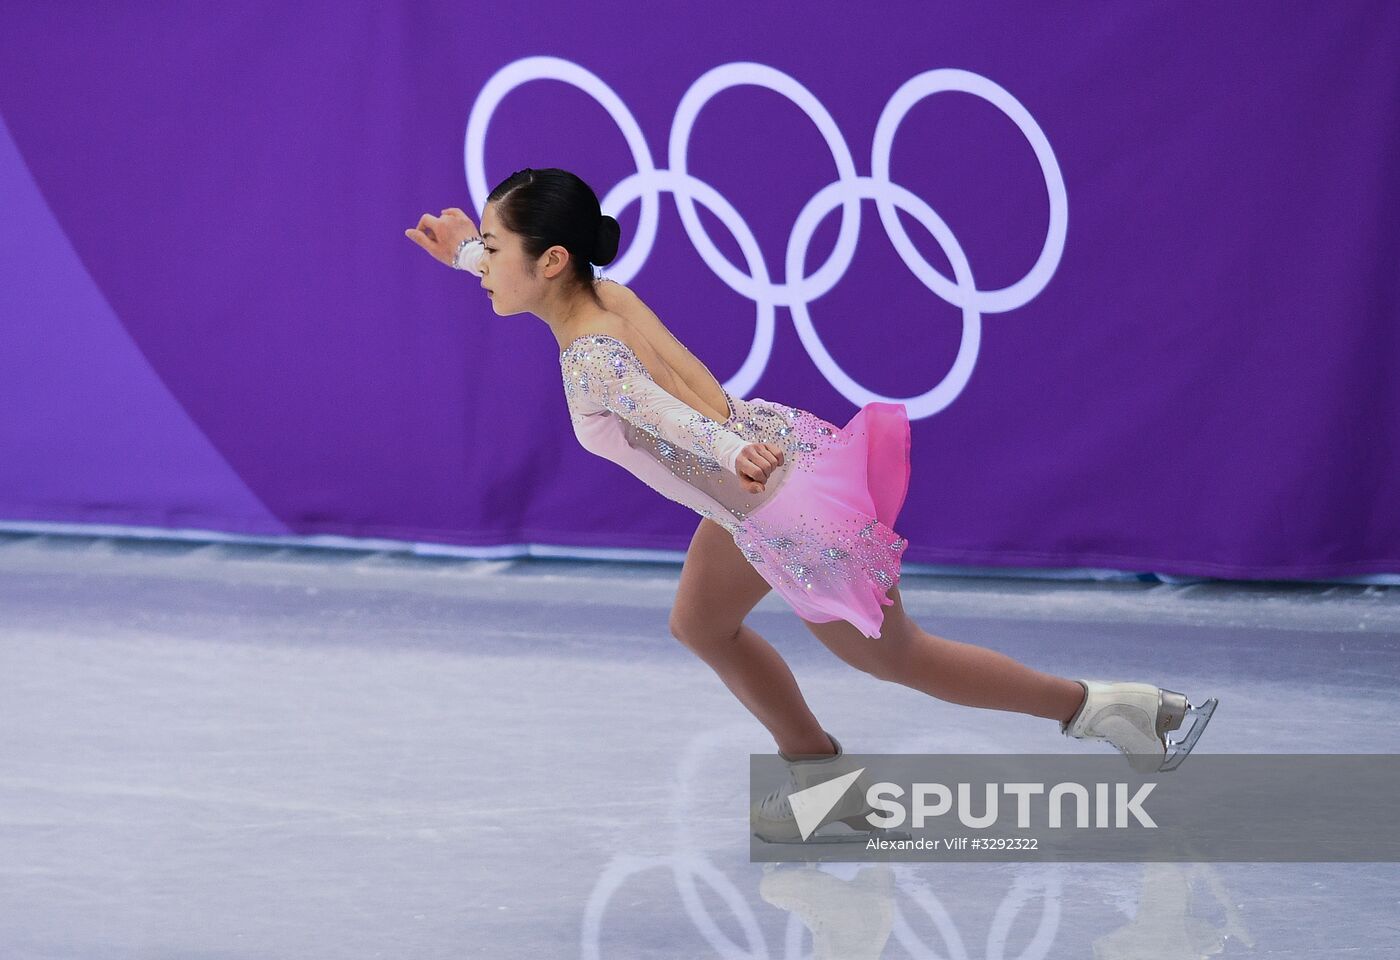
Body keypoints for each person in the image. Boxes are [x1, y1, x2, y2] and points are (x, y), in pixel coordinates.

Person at [405, 167, 1216, 842]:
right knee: (701, 624)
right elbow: (652, 395)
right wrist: (464, 252)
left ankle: (1111, 710)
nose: (485, 265)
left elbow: (665, 416)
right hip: (760, 482)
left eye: (495, 248)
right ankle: (821, 776)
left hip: (779, 505)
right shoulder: (603, 295)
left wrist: (729, 450)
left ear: (550, 260)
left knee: (901, 657)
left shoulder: (591, 359)